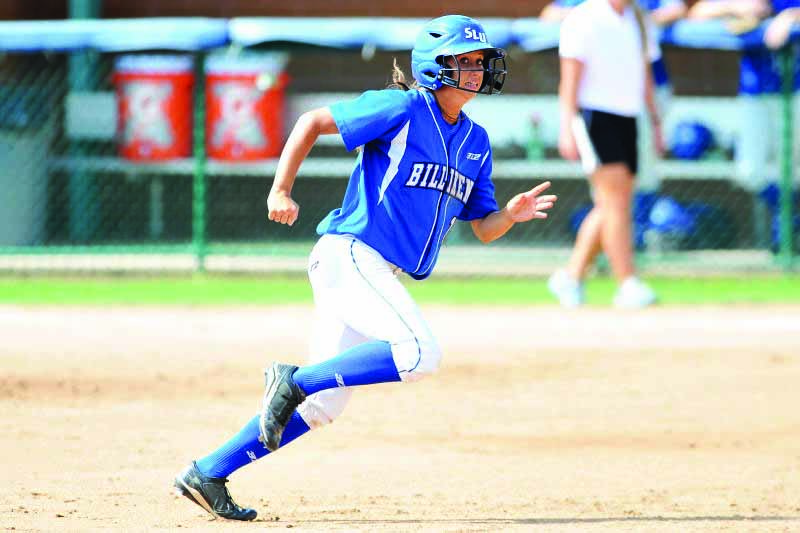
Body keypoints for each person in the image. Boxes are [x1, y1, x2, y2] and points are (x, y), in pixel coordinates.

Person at [172, 14, 557, 521]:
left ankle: (208, 472)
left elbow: (483, 226)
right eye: (465, 61)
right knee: (419, 353)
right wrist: (280, 189)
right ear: (435, 66)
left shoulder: (476, 142)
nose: (477, 71)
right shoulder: (402, 107)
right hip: (350, 255)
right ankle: (296, 378)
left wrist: (511, 213)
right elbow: (312, 122)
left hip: (374, 272)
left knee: (322, 408)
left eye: (481, 62)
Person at [548, 0, 665, 308]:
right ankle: (627, 282)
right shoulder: (583, 18)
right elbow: (569, 80)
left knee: (612, 203)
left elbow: (646, 75)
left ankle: (570, 277)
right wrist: (567, 127)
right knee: (615, 202)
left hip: (628, 117)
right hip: (594, 117)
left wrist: (655, 122)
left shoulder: (640, 19)